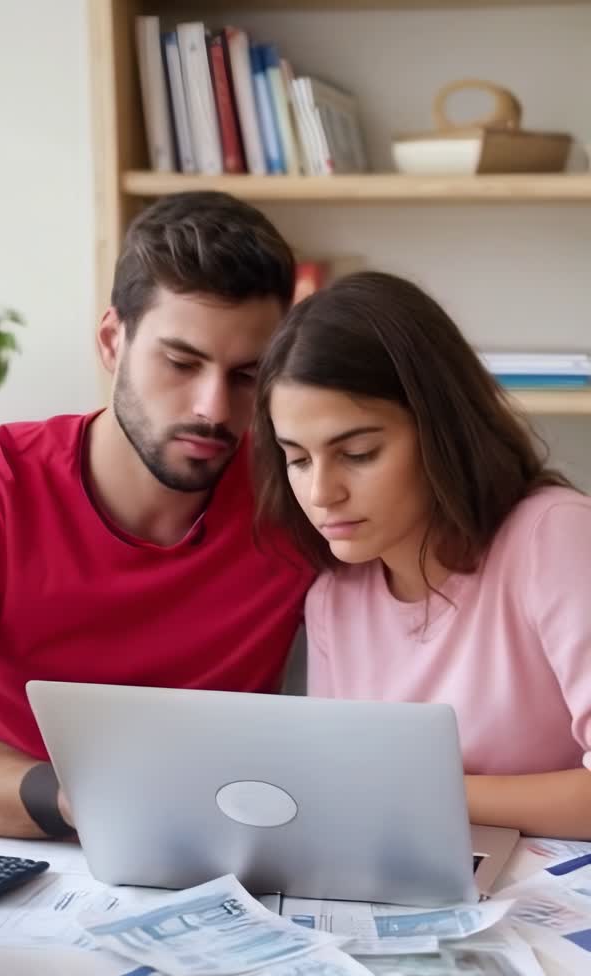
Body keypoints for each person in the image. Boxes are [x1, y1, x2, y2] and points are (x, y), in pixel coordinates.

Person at [0, 192, 314, 838]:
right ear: (112, 341)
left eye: (246, 375)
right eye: (181, 363)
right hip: (7, 843)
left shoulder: (301, 497)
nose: (213, 408)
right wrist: (80, 799)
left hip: (220, 849)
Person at [253, 270, 591, 839]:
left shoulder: (553, 538)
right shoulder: (334, 599)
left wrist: (424, 792)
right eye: (299, 459)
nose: (321, 493)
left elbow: (367, 790)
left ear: (440, 428)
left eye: (357, 453)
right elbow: (345, 790)